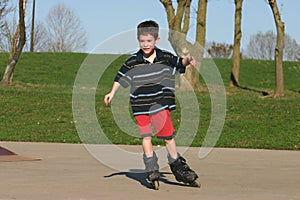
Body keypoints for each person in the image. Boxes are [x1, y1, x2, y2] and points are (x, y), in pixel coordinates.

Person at [104, 20, 200, 189]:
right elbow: (120, 77)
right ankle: (151, 167)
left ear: (157, 40)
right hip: (140, 106)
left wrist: (188, 60)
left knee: (168, 136)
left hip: (160, 104)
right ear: (138, 40)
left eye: (149, 41)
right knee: (146, 136)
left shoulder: (165, 57)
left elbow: (179, 62)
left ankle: (178, 166)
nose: (145, 44)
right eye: (142, 41)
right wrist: (112, 92)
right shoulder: (133, 61)